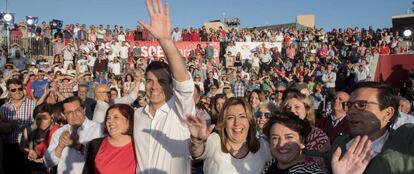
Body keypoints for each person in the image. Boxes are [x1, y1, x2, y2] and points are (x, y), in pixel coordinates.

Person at [134, 0, 196, 173]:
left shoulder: (180, 110)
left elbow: (184, 84)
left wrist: (165, 40)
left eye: (162, 81)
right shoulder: (137, 116)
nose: (155, 87)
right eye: (150, 81)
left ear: (171, 85)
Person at [323, 82, 414, 173]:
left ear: (388, 113)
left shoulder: (405, 152)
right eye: (349, 106)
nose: (350, 112)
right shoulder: (340, 144)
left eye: (362, 105)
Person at [185, 97, 272, 174]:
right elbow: (198, 151)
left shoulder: (263, 146)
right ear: (224, 122)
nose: (237, 123)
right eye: (230, 117)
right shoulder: (216, 141)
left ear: (250, 121)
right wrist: (197, 140)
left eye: (242, 116)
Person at [44, 96, 104, 174]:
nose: (74, 114)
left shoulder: (99, 129)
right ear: (63, 115)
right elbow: (47, 162)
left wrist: (77, 146)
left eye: (77, 110)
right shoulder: (59, 132)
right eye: (69, 112)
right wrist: (60, 147)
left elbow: (101, 158)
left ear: (84, 110)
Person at [83, 104, 136, 174]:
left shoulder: (139, 145)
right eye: (108, 118)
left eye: (116, 117)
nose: (110, 121)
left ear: (129, 121)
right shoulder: (95, 144)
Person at [0, 79, 36, 174]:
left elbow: (37, 124)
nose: (18, 91)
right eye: (13, 90)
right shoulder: (3, 108)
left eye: (20, 88)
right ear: (8, 92)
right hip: (9, 146)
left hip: (28, 146)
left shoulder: (33, 104)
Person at [25, 103, 60, 173]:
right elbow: (24, 148)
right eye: (38, 119)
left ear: (52, 117)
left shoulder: (59, 131)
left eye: (45, 118)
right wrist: (31, 153)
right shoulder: (32, 134)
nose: (41, 122)